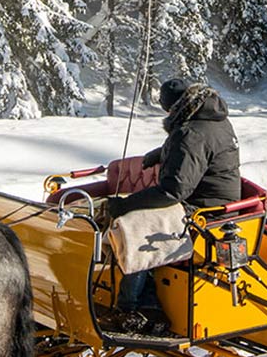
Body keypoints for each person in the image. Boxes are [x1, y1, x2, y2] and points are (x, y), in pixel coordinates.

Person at [100, 79, 243, 334]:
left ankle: (132, 308)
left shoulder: (192, 132)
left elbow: (173, 190)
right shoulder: (212, 118)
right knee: (140, 213)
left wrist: (125, 205)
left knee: (138, 225)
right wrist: (163, 152)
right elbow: (198, 152)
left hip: (206, 212)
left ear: (174, 108)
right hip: (220, 202)